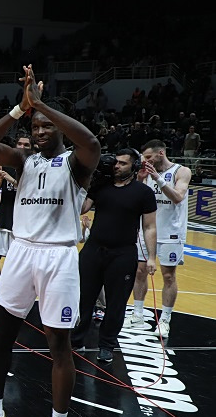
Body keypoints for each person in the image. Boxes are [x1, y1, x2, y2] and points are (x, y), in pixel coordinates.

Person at [0, 65, 100, 417]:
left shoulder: (76, 163)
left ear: (59, 128)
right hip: (22, 252)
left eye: (46, 126)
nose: (39, 131)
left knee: (58, 343)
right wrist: (19, 110)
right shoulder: (23, 160)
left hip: (59, 256)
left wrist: (41, 105)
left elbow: (91, 140)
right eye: (35, 126)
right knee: (2, 335)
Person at [71, 149, 157, 362]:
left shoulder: (143, 192)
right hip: (93, 250)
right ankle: (76, 340)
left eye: (123, 163)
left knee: (116, 303)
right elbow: (81, 208)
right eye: (116, 162)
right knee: (83, 298)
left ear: (134, 166)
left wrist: (151, 257)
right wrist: (89, 181)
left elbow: (149, 227)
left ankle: (107, 345)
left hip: (123, 254)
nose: (117, 166)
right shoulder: (101, 186)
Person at [131, 140, 191, 337]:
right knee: (139, 271)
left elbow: (178, 197)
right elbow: (137, 199)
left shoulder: (181, 171)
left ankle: (164, 320)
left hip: (171, 232)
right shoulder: (146, 172)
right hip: (146, 229)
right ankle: (137, 314)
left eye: (149, 157)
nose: (146, 161)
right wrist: (140, 180)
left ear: (161, 153)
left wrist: (157, 179)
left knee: (168, 276)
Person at [0, 134, 32, 315]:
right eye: (19, 143)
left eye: (26, 144)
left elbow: (31, 192)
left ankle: (19, 299)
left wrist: (11, 180)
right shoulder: (7, 165)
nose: (22, 147)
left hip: (23, 225)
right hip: (3, 220)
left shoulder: (35, 168)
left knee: (19, 267)